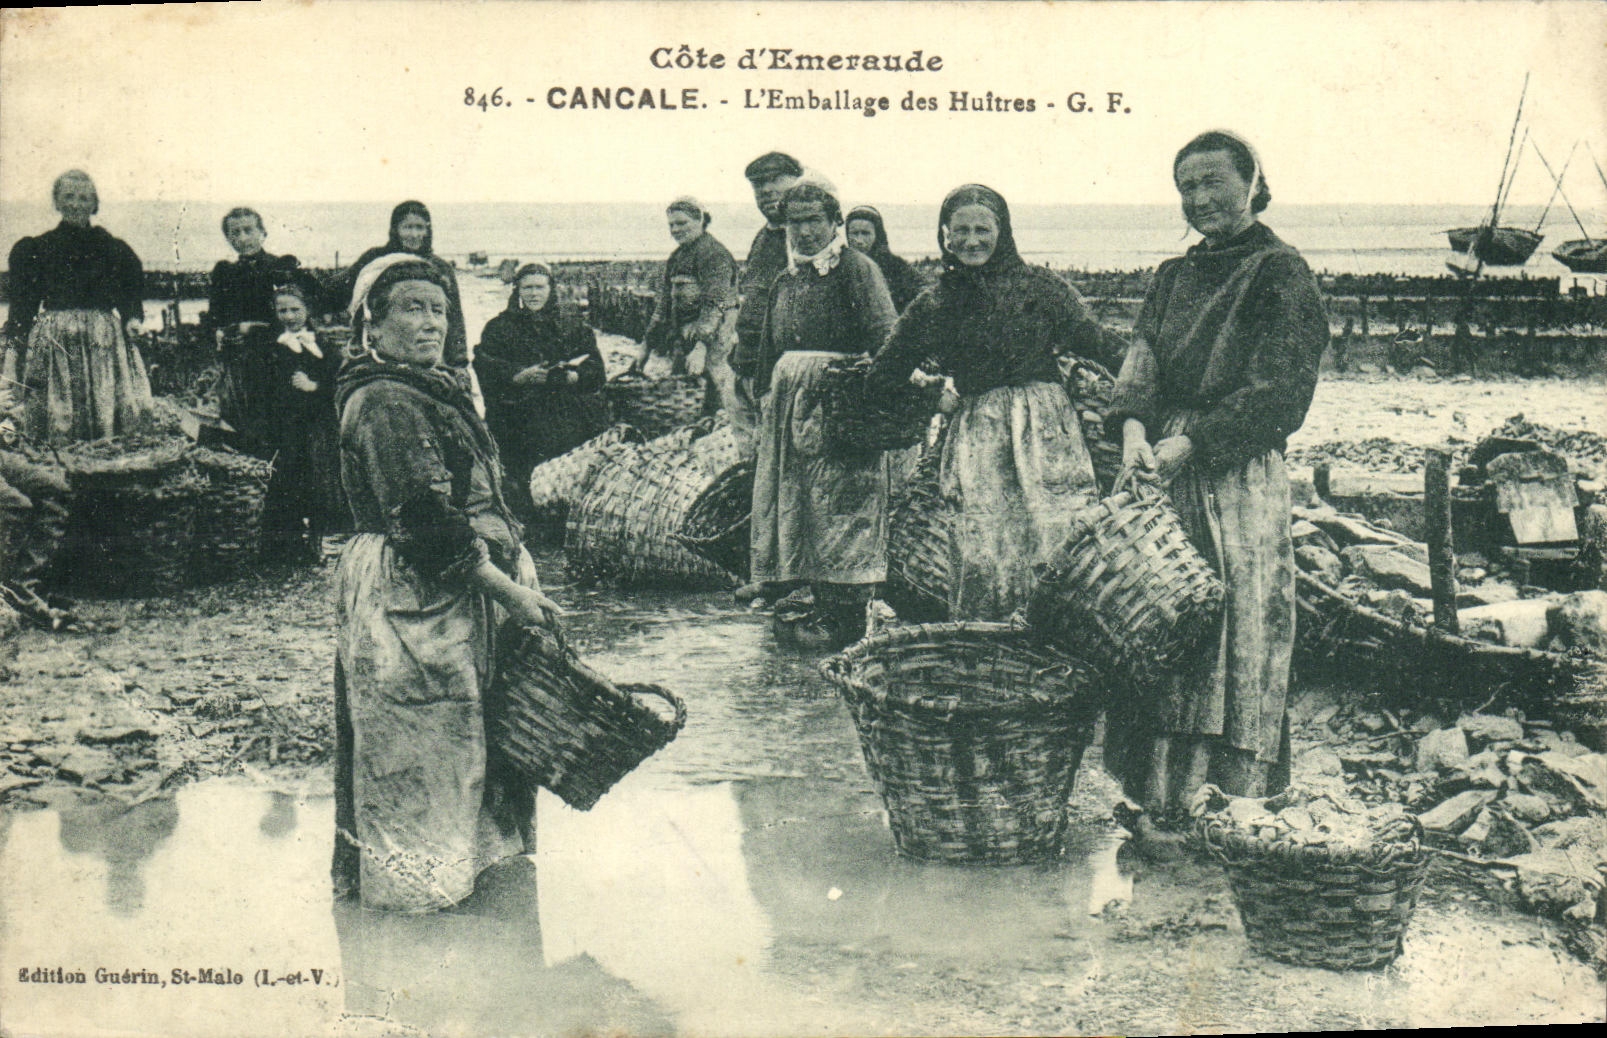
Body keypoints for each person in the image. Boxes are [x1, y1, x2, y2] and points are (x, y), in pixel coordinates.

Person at [1101, 130, 1329, 848]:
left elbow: (1280, 390)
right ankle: (1160, 799)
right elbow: (1140, 363)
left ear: (1252, 185)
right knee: (1162, 623)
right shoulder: (1171, 276)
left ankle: (1230, 800)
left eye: (1214, 183)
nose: (1200, 199)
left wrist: (1192, 444)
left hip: (1233, 470)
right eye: (1187, 187)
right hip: (1162, 465)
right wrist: (1133, 434)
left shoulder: (1280, 272)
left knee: (1235, 627)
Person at [331, 254, 561, 912]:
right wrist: (508, 590)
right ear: (371, 325)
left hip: (466, 586)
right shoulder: (383, 400)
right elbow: (423, 520)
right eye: (412, 308)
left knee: (470, 736)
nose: (431, 322)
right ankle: (417, 906)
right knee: (422, 739)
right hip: (417, 590)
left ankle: (475, 896)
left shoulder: (433, 388)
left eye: (438, 310)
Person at [867, 184, 1125, 622]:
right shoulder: (936, 302)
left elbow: (1099, 342)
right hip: (979, 434)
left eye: (983, 230)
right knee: (981, 549)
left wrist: (1148, 384)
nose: (972, 241)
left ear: (1002, 231)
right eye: (961, 231)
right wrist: (933, 396)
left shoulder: (1042, 287)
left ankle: (1058, 637)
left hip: (1047, 432)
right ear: (946, 235)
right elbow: (883, 374)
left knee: (1059, 539)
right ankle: (989, 642)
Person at [745, 179, 898, 645]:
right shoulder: (786, 278)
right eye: (795, 222)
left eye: (814, 220)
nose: (805, 231)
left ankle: (846, 616)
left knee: (842, 507)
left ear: (835, 222)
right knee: (799, 504)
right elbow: (769, 347)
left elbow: (886, 336)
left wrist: (871, 394)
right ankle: (812, 598)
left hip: (839, 404)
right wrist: (764, 394)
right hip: (789, 407)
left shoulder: (857, 270)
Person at [2, 170, 153, 443]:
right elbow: (23, 304)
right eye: (68, 196)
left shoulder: (112, 247)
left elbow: (128, 290)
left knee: (104, 398)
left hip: (102, 337)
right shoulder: (38, 247)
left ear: (94, 204)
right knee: (60, 405)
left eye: (84, 198)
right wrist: (14, 348)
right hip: (56, 338)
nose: (76, 204)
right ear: (57, 202)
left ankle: (103, 449)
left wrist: (132, 318)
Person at [473, 262, 608, 526]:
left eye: (539, 287)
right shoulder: (499, 327)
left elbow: (595, 368)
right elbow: (484, 364)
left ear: (550, 289)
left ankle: (562, 516)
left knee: (565, 470)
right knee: (520, 474)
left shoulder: (572, 325)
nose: (534, 293)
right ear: (517, 290)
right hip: (517, 414)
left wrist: (573, 376)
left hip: (564, 412)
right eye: (527, 288)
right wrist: (518, 376)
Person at [259, 280, 345, 563]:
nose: (289, 316)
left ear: (307, 310)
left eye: (295, 309)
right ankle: (288, 545)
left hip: (318, 425)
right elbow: (262, 387)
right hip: (286, 426)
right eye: (282, 310)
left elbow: (340, 385)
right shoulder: (271, 348)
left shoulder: (324, 346)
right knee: (288, 483)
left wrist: (314, 387)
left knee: (318, 483)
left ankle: (316, 544)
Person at [206, 207, 303, 456]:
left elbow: (293, 316)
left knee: (276, 421)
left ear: (263, 233)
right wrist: (227, 331)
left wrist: (252, 329)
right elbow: (215, 319)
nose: (243, 238)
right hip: (238, 361)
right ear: (228, 238)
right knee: (239, 420)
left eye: (249, 230)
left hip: (275, 357)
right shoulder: (225, 273)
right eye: (235, 232)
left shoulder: (279, 268)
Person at [332, 200, 471, 370]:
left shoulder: (440, 268)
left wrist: (459, 363)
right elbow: (341, 292)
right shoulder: (376, 259)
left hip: (425, 350)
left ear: (428, 231)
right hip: (379, 349)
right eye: (407, 227)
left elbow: (454, 319)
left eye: (420, 227)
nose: (414, 234)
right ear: (395, 229)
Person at [634, 197, 740, 415]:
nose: (675, 230)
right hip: (684, 337)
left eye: (682, 223)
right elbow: (664, 305)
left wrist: (701, 347)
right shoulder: (677, 257)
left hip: (716, 337)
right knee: (684, 394)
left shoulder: (714, 254)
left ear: (700, 220)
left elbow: (715, 304)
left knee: (718, 394)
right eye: (671, 225)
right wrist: (646, 346)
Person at [730, 152, 804, 445]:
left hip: (779, 372)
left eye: (775, 181)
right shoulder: (762, 238)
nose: (766, 191)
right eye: (759, 185)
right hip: (746, 365)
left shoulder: (805, 238)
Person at [845, 205, 926, 314]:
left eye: (865, 233)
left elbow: (923, 295)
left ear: (877, 235)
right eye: (854, 233)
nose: (859, 240)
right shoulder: (840, 267)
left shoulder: (897, 268)